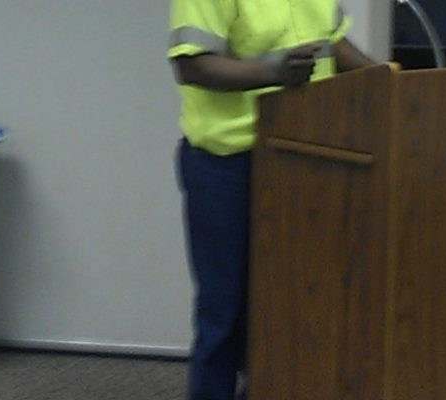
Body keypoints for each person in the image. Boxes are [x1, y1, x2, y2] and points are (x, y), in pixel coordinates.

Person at [168, 1, 377, 399]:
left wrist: (392, 80)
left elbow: (332, 46)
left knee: (295, 299)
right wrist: (271, 72)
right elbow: (191, 64)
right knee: (225, 308)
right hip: (227, 163)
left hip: (304, 153)